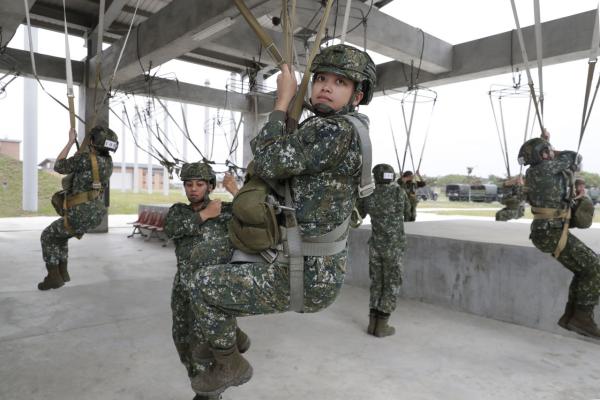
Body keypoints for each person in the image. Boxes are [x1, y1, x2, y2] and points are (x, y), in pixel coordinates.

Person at [188, 43, 376, 397]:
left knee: (201, 287)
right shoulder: (349, 131)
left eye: (340, 82)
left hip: (302, 273)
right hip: (306, 262)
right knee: (206, 254)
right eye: (320, 78)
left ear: (358, 93)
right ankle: (226, 337)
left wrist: (281, 103)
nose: (325, 86)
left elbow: (265, 159)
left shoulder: (332, 131)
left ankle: (230, 361)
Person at [164, 162, 248, 400]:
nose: (193, 189)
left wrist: (235, 191)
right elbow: (171, 229)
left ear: (210, 186)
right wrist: (204, 215)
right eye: (189, 184)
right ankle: (199, 382)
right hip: (182, 289)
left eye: (199, 184)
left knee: (206, 343)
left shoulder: (226, 211)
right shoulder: (179, 212)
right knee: (182, 339)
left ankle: (209, 393)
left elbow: (254, 216)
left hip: (211, 292)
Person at [518, 137, 600, 338]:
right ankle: (581, 318)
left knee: (585, 270)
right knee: (594, 268)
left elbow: (565, 171)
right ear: (543, 154)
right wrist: (552, 149)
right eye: (548, 151)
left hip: (549, 230)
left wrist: (545, 145)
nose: (552, 152)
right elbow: (574, 156)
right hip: (551, 231)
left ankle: (572, 316)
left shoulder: (538, 171)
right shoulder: (544, 169)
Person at [38, 126, 117, 290]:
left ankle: (54, 276)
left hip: (81, 212)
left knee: (48, 235)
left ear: (94, 143)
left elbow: (59, 166)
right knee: (61, 236)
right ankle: (62, 272)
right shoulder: (109, 163)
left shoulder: (86, 159)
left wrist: (69, 141)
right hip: (95, 212)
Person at [356, 163, 410, 337]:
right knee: (391, 284)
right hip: (393, 247)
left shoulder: (368, 195)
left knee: (377, 283)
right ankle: (382, 326)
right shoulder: (398, 193)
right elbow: (408, 213)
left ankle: (373, 323)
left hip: (376, 246)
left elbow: (360, 214)